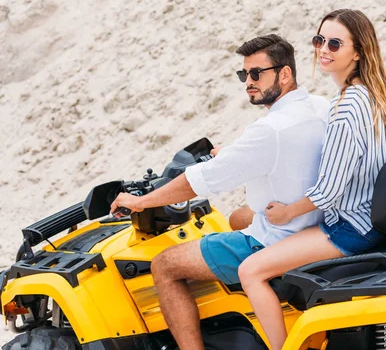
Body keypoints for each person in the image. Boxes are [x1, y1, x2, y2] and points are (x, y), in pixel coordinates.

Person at [110, 34, 329, 350]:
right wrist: (231, 153)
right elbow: (281, 152)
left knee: (164, 265)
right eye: (244, 74)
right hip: (312, 223)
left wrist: (140, 201)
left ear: (285, 74)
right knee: (237, 217)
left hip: (276, 239)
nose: (248, 82)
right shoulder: (319, 107)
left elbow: (196, 183)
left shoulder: (268, 130)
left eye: (257, 74)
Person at [238, 9, 386, 350]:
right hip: (374, 216)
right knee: (242, 219)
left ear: (357, 51)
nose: (323, 49)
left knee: (251, 271)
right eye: (319, 40)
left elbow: (327, 192)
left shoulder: (345, 107)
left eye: (335, 43)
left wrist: (287, 213)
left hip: (351, 228)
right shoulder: (377, 95)